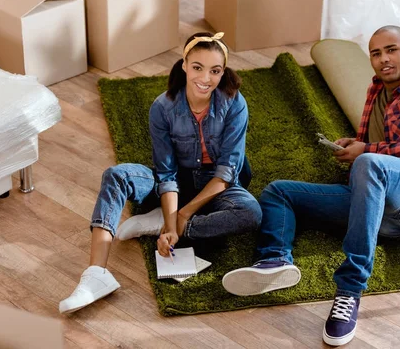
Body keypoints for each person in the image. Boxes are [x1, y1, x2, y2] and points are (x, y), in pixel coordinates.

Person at [221, 26, 400, 346]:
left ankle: (350, 290)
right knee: (278, 191)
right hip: (371, 201)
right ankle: (275, 261)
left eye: (391, 49)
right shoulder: (376, 89)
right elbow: (379, 146)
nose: (383, 59)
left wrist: (366, 152)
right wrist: (358, 144)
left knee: (368, 163)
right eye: (375, 53)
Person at [59, 32, 262, 314]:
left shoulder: (234, 103)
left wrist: (179, 219)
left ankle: (166, 223)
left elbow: (227, 173)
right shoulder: (163, 107)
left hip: (215, 184)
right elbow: (166, 174)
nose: (206, 78)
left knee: (251, 212)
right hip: (175, 180)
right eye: (197, 67)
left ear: (223, 71)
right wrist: (173, 215)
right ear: (184, 65)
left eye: (215, 70)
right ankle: (96, 274)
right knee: (117, 175)